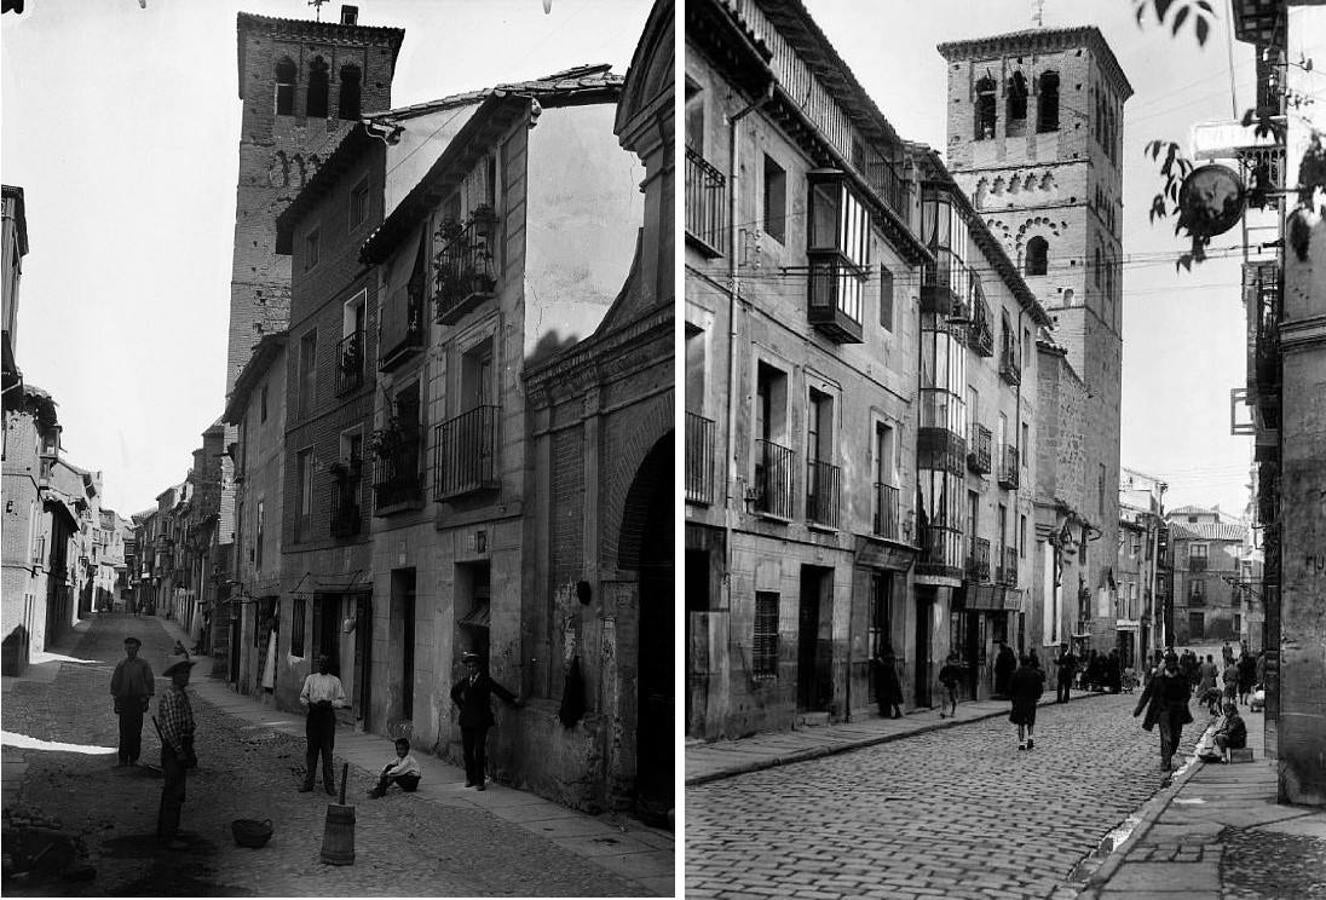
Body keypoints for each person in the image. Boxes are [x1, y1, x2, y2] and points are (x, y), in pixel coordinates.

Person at [450, 651, 520, 790]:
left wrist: (512, 699)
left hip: (481, 720)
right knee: (467, 751)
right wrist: (462, 706)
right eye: (469, 667)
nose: (471, 669)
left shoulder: (485, 680)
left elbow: (498, 690)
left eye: (473, 666)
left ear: (478, 667)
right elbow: (454, 692)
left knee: (479, 750)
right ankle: (470, 778)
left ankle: (480, 781)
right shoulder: (465, 681)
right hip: (467, 721)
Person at [156, 655, 197, 850]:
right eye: (184, 673)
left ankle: (171, 829)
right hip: (175, 748)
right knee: (172, 791)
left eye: (188, 672)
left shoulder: (181, 693)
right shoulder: (172, 695)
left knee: (178, 790)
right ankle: (167, 835)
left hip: (183, 745)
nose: (187, 676)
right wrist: (180, 751)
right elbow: (171, 728)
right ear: (176, 675)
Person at [1133, 650, 1193, 771]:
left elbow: (1188, 692)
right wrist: (1139, 708)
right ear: (1166, 663)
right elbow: (1147, 693)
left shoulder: (1182, 675)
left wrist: (1183, 702)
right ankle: (1166, 762)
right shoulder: (1158, 676)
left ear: (1176, 664)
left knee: (1175, 737)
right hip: (1163, 710)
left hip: (1177, 711)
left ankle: (1169, 754)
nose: (1171, 666)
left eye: (1174, 663)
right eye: (1169, 663)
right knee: (1167, 737)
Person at [298, 654, 347, 795]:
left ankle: (329, 785)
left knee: (327, 752)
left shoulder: (335, 681)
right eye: (320, 663)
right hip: (314, 716)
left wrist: (330, 703)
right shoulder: (311, 679)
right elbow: (302, 696)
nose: (322, 665)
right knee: (312, 752)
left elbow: (342, 701)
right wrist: (309, 704)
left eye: (325, 663)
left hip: (327, 718)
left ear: (329, 665)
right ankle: (309, 782)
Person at [109, 636, 154, 767]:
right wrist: (116, 700)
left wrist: (146, 698)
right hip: (124, 701)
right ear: (125, 649)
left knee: (136, 730)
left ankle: (134, 757)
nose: (130, 651)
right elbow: (115, 683)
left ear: (138, 649)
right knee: (124, 730)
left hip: (138, 701)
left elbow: (149, 681)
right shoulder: (121, 665)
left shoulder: (143, 665)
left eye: (133, 648)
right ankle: (123, 758)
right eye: (128, 648)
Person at [1009, 654, 1045, 750]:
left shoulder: (1016, 674)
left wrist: (1013, 699)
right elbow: (1040, 688)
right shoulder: (1035, 674)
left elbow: (1011, 689)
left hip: (1020, 701)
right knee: (1030, 720)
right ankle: (1030, 738)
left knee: (1021, 722)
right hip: (1031, 700)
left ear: (1020, 662)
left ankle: (1021, 743)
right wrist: (1037, 697)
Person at [872, 645, 904, 719]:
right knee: (890, 697)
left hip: (890, 680)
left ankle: (897, 712)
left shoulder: (890, 657)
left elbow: (889, 666)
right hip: (888, 680)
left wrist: (881, 662)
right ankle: (888, 712)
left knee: (893, 698)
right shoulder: (890, 656)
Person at [937, 652, 962, 718]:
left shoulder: (956, 669)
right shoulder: (945, 669)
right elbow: (940, 677)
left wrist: (957, 680)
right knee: (944, 699)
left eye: (950, 661)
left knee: (954, 699)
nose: (949, 662)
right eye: (948, 661)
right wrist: (944, 679)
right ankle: (944, 711)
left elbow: (960, 677)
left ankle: (953, 712)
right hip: (946, 685)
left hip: (953, 686)